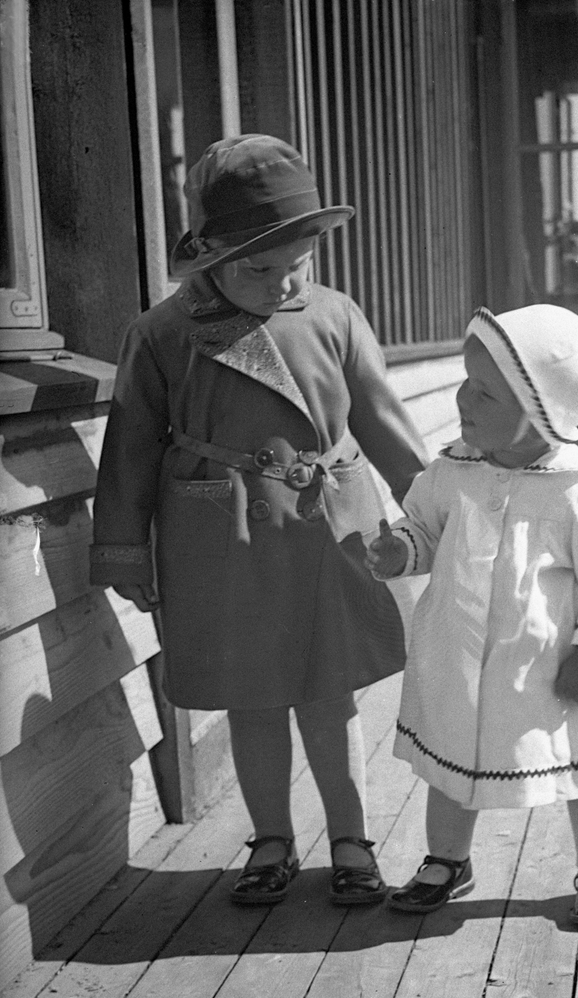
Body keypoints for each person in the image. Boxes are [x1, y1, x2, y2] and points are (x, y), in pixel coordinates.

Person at [90, 134, 428, 906]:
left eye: (297, 265)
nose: (281, 284)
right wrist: (123, 555)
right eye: (258, 269)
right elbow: (131, 454)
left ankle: (352, 840)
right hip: (221, 534)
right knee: (253, 695)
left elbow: (381, 420)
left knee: (331, 691)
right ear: (208, 256)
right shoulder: (163, 333)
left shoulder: (335, 315)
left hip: (328, 523)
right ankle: (271, 839)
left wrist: (434, 511)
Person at [366, 304, 578, 928]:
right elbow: (425, 530)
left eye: (485, 391)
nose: (464, 397)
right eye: (466, 381)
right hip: (462, 650)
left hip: (557, 666)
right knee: (450, 755)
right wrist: (399, 549)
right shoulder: (452, 472)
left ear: (541, 411)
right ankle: (447, 860)